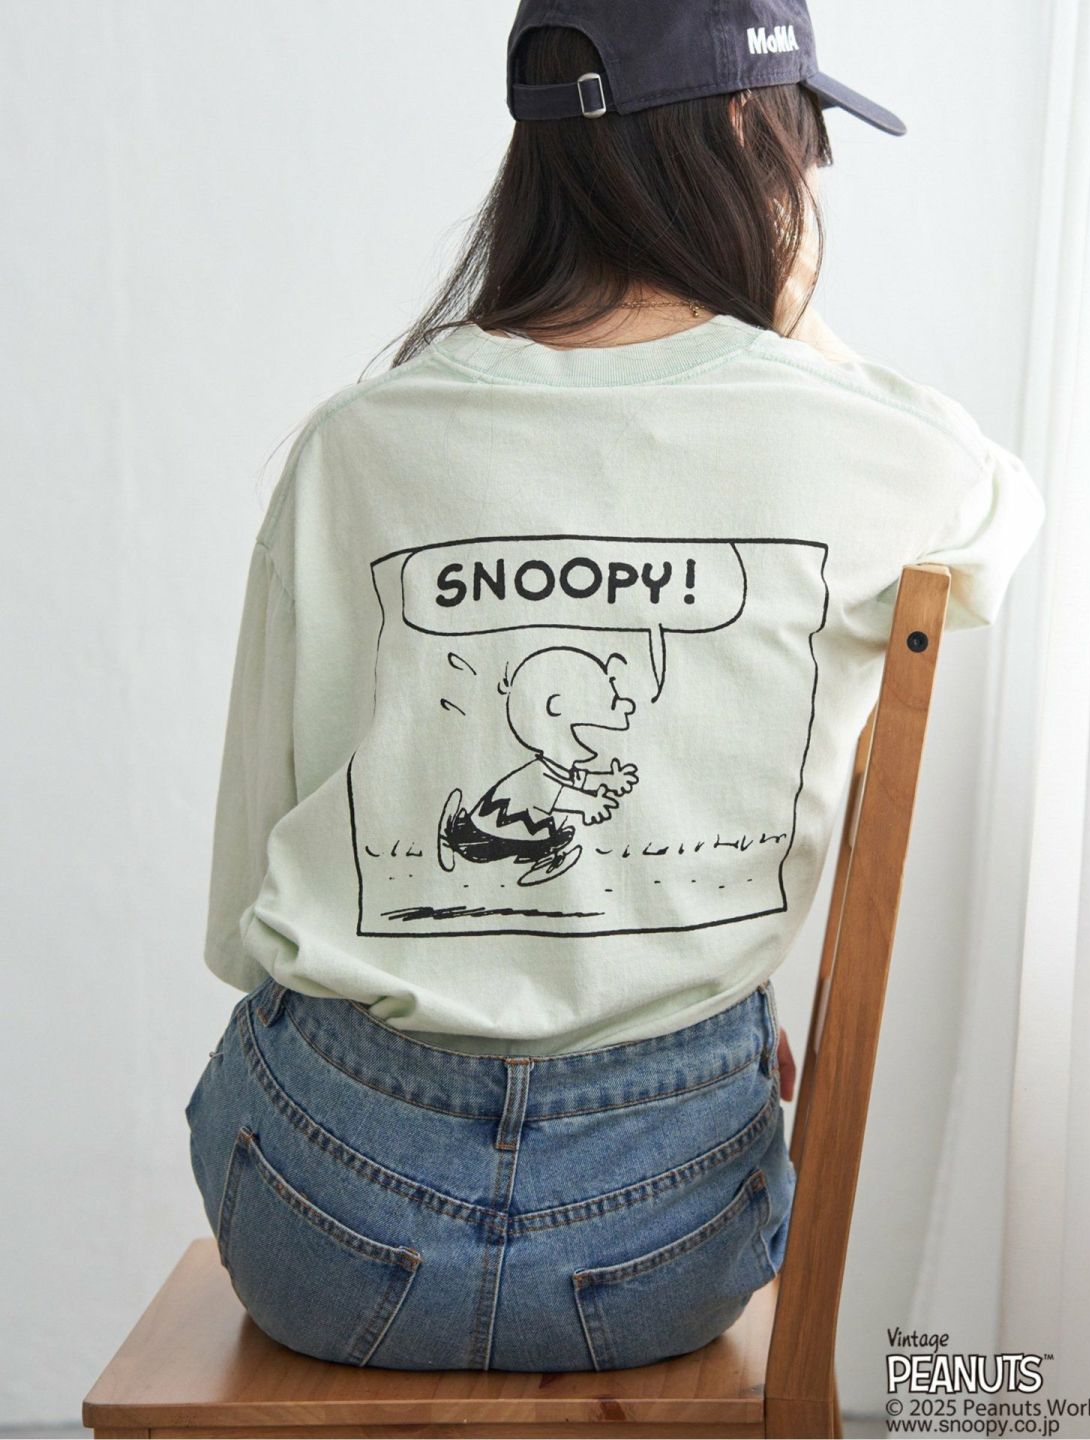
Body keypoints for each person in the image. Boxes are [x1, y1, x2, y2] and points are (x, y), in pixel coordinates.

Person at [186, 0, 1046, 1374]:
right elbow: (1006, 504)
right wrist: (795, 329)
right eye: (809, 145)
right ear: (746, 129)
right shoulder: (869, 452)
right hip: (662, 1240)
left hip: (321, 1220)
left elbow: (249, 896)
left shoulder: (357, 443)